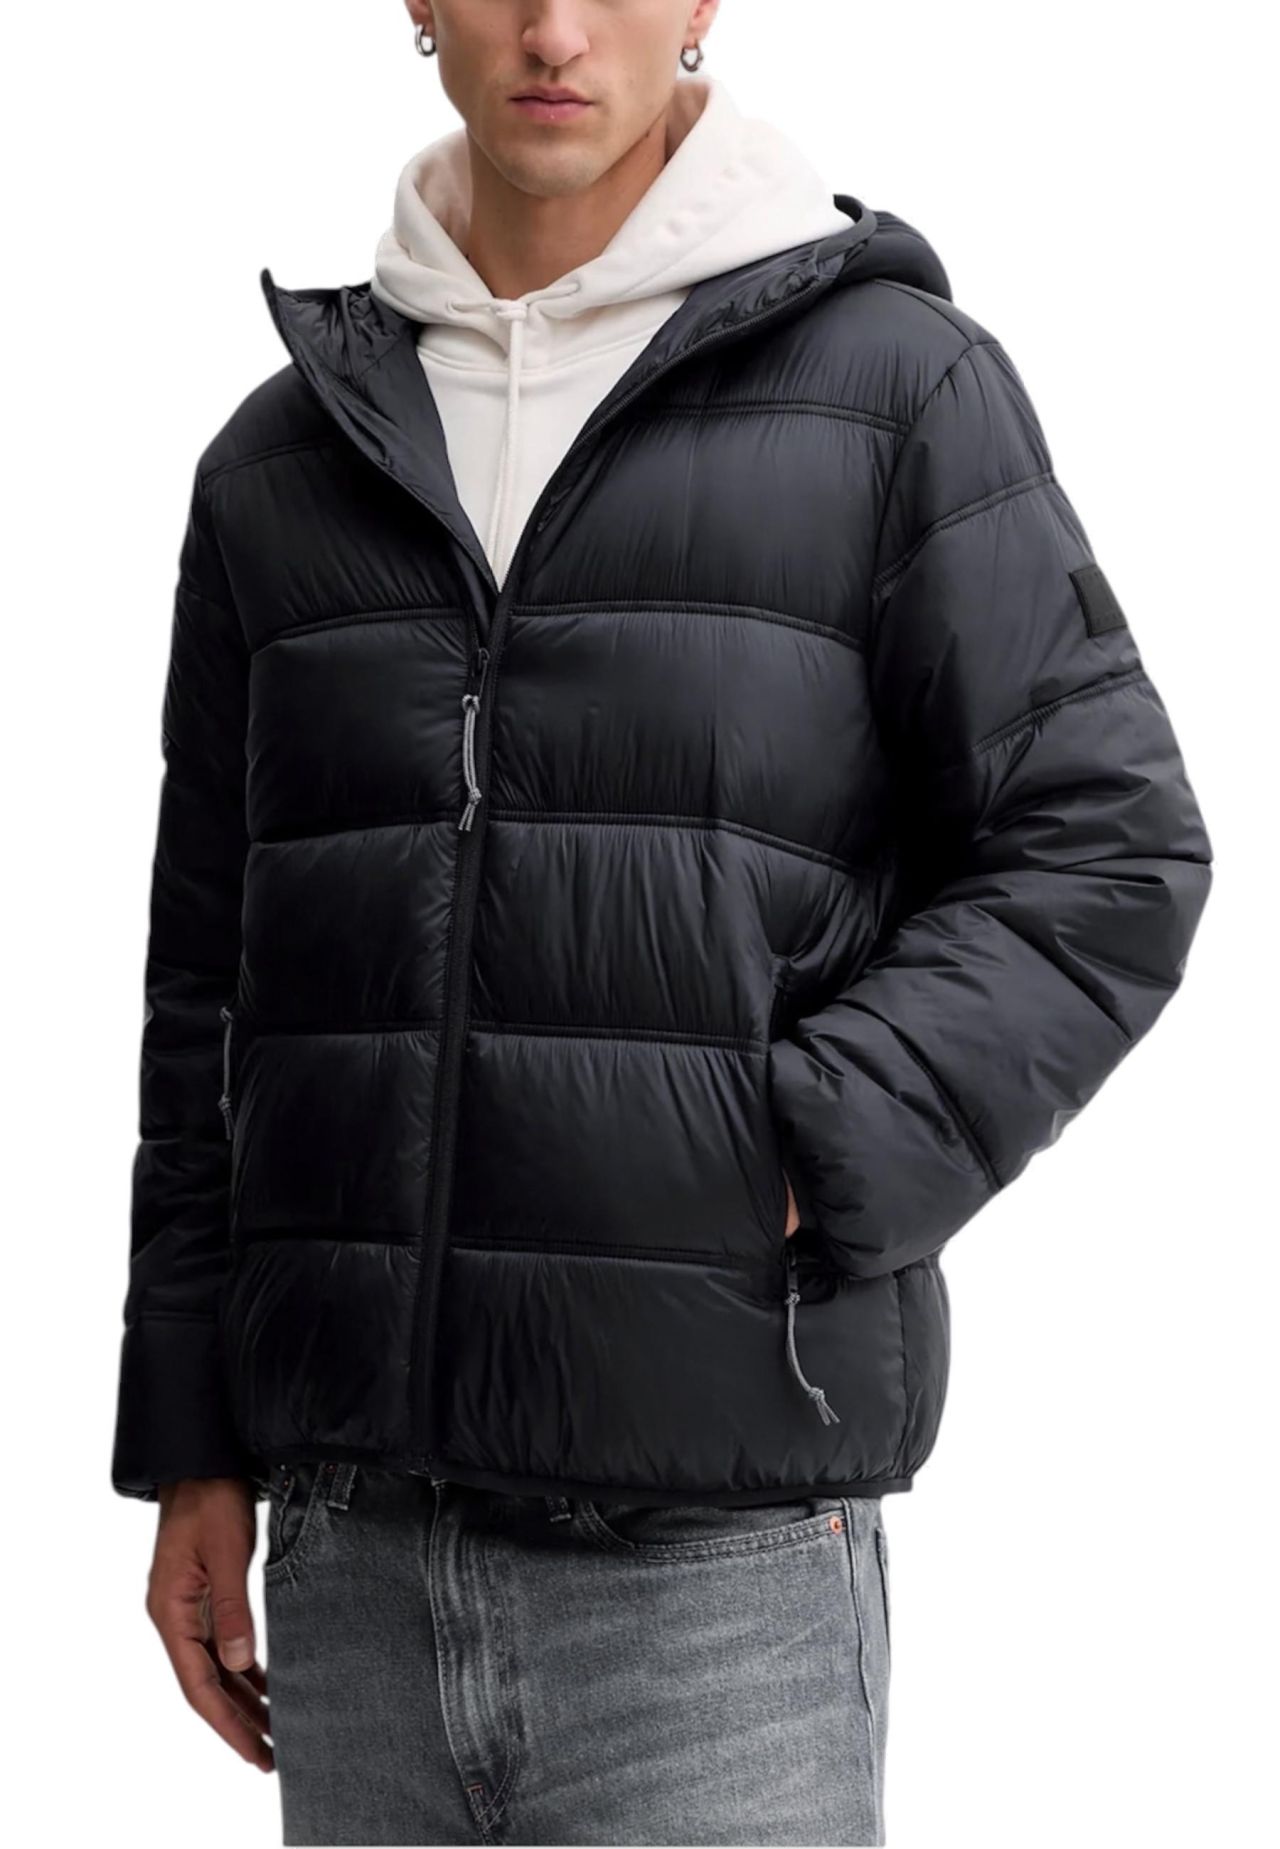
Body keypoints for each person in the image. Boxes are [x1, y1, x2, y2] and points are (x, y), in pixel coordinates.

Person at [111, 3, 1213, 1844]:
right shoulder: (280, 464)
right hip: (354, 1569)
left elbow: (1109, 846)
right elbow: (208, 982)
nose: (555, 28)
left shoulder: (895, 394)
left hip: (714, 1594)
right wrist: (191, 1442)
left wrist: (807, 1136)